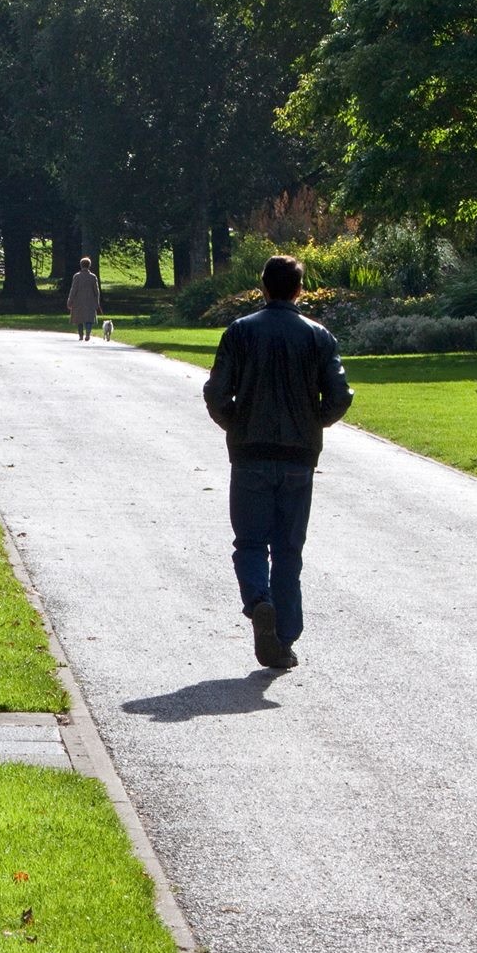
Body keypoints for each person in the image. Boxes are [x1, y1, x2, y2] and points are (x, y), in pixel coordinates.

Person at [202, 254, 354, 669]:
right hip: (298, 456)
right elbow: (340, 395)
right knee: (288, 548)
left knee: (250, 541)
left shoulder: (240, 331)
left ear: (263, 287)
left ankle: (258, 600)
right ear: (299, 290)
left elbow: (216, 392)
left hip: (250, 450)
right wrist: (311, 422)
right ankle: (284, 637)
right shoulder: (318, 336)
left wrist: (236, 423)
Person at [66, 256, 101, 341]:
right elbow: (96, 291)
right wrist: (97, 301)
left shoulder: (77, 276)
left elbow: (73, 290)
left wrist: (70, 301)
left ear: (81, 265)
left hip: (78, 301)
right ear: (89, 265)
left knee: (79, 319)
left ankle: (81, 335)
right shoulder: (93, 277)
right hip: (90, 300)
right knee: (89, 318)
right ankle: (88, 333)